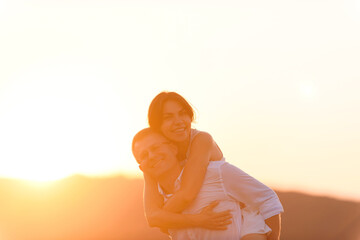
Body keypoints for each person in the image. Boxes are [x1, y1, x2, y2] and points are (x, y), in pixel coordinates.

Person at [143, 91, 283, 240]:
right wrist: (160, 218)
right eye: (168, 117)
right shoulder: (158, 157)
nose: (178, 121)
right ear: (157, 125)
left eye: (182, 113)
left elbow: (186, 195)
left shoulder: (201, 140)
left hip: (243, 217)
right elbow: (153, 217)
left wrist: (163, 218)